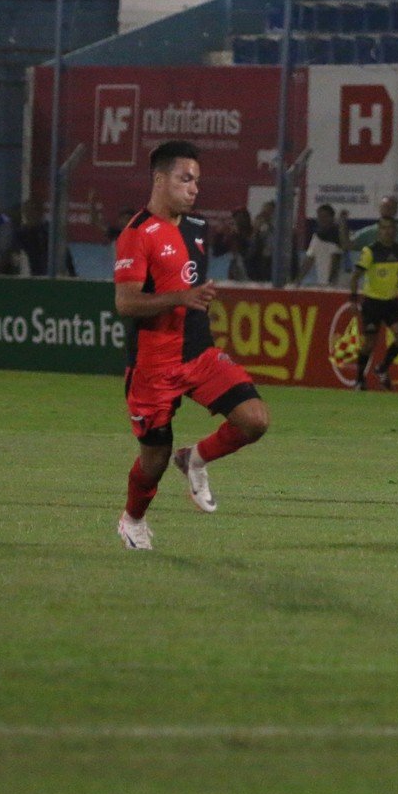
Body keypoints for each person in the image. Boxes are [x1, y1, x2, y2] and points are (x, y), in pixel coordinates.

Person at [111, 140, 270, 551]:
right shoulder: (136, 234)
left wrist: (195, 300)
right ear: (160, 179)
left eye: (197, 180)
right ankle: (132, 520)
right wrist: (180, 297)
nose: (194, 187)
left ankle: (195, 458)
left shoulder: (198, 230)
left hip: (198, 354)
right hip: (153, 367)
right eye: (186, 178)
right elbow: (126, 303)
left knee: (255, 420)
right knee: (152, 462)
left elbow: (188, 288)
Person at [348, 217, 398, 390]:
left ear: (395, 231)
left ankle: (382, 367)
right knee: (368, 344)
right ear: (379, 231)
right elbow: (355, 276)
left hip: (391, 302)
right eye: (384, 228)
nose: (387, 231)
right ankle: (359, 379)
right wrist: (353, 299)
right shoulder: (370, 251)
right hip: (372, 303)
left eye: (390, 228)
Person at [295, 203, 346, 286]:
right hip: (322, 284)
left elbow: (336, 261)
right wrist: (298, 280)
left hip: (337, 285)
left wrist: (331, 283)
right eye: (319, 216)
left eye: (325, 216)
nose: (322, 219)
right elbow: (309, 261)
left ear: (332, 218)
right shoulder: (316, 237)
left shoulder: (338, 236)